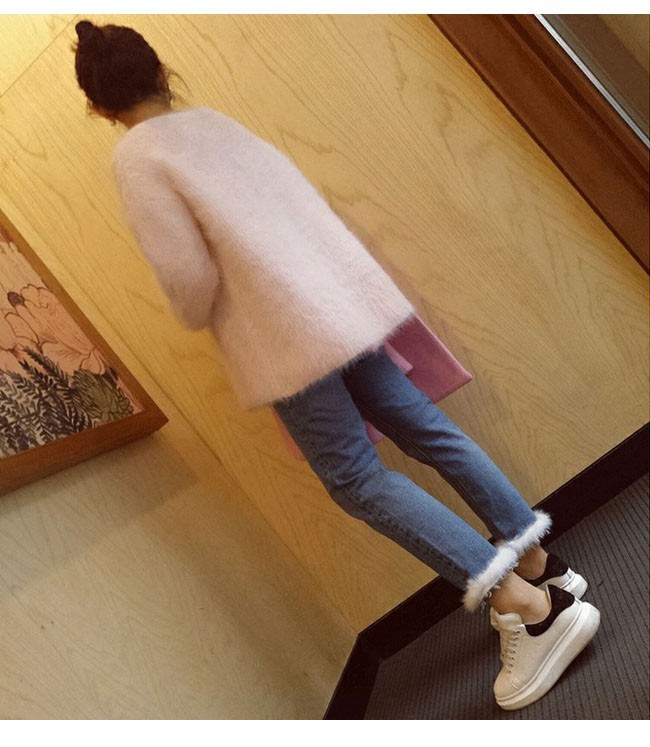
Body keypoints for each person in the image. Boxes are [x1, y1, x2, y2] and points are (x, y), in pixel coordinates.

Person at [73, 19, 600, 711]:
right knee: (422, 426)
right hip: (336, 305)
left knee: (354, 479)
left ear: (99, 107)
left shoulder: (137, 158)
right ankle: (540, 564)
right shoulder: (215, 124)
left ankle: (531, 609)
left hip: (283, 333)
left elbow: (188, 278)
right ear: (161, 73)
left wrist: (196, 312)